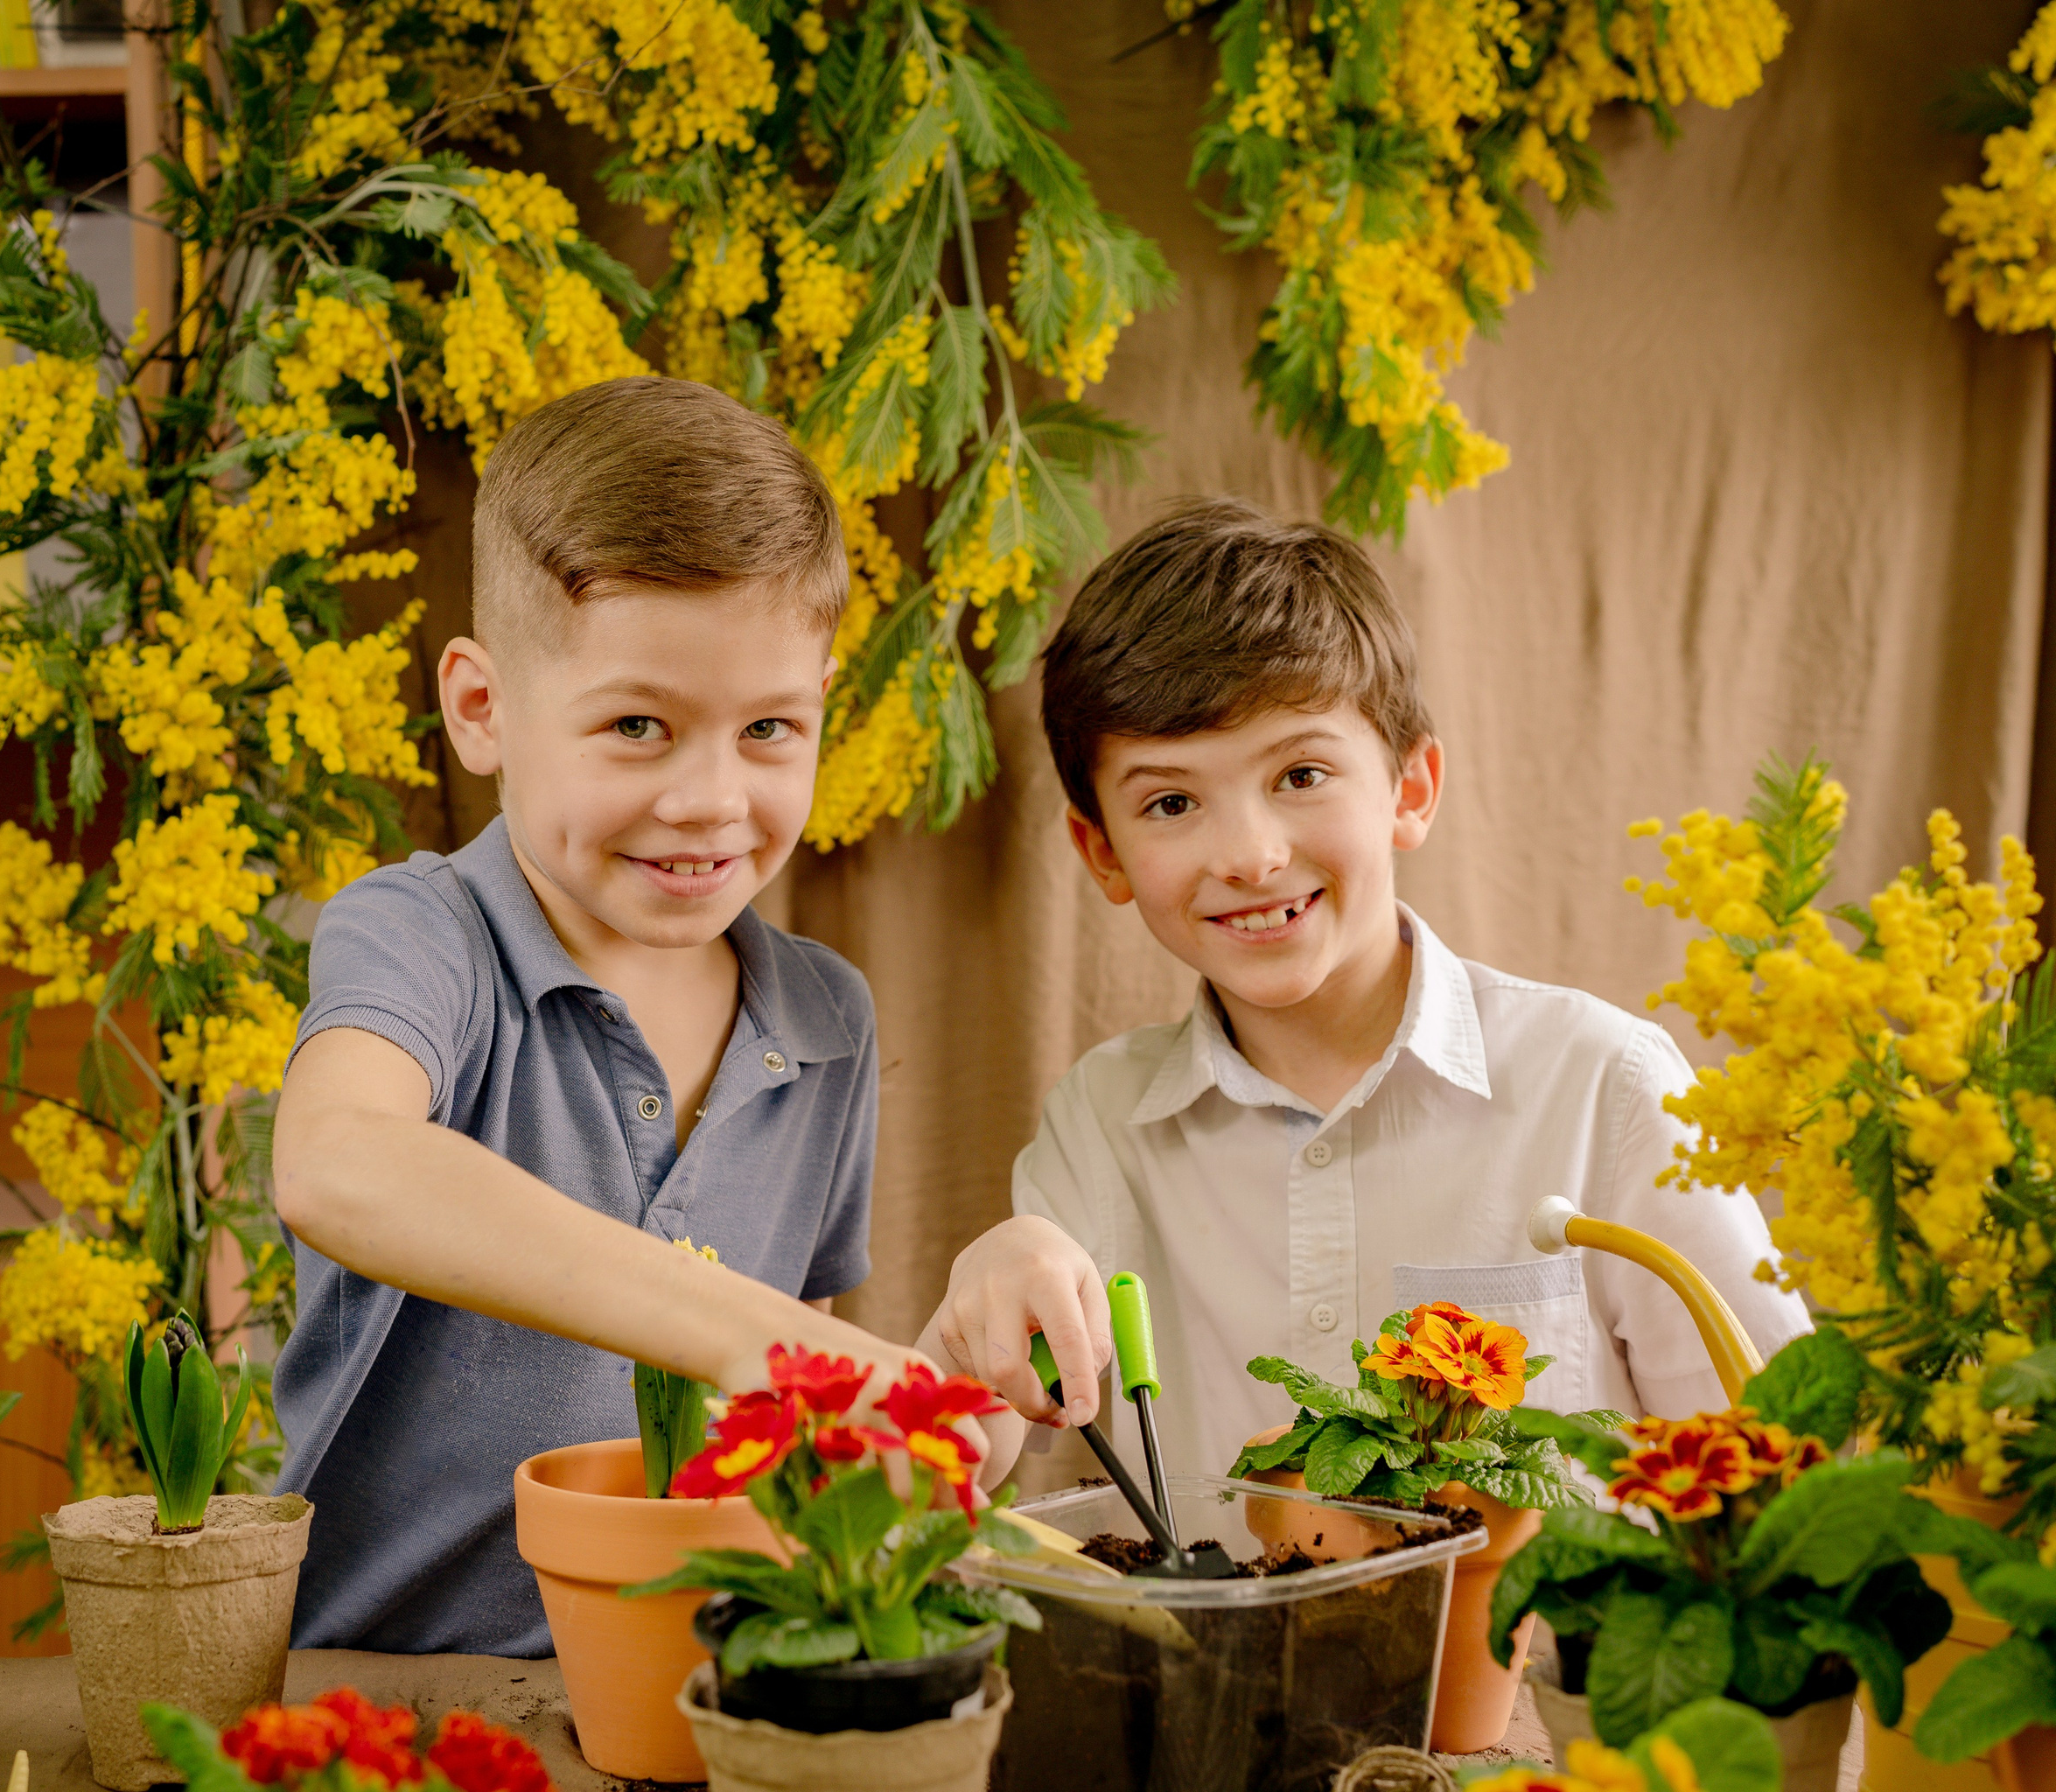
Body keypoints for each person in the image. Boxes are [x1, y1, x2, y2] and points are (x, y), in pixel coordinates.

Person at [269, 377, 958, 1655]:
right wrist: (765, 1338)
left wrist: (945, 1369)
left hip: (699, 1699)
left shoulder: (828, 1021)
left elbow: (798, 1442)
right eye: (639, 726)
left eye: (770, 730)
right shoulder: (425, 938)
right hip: (389, 1700)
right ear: (481, 710)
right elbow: (334, 1165)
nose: (711, 800)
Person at [919, 498, 1809, 1486]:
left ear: (1411, 787)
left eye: (1300, 773)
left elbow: (1777, 1470)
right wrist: (977, 1306)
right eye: (1171, 802)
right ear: (1102, 851)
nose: (1251, 855)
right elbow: (956, 1454)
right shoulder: (1100, 1125)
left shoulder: (1605, 1089)